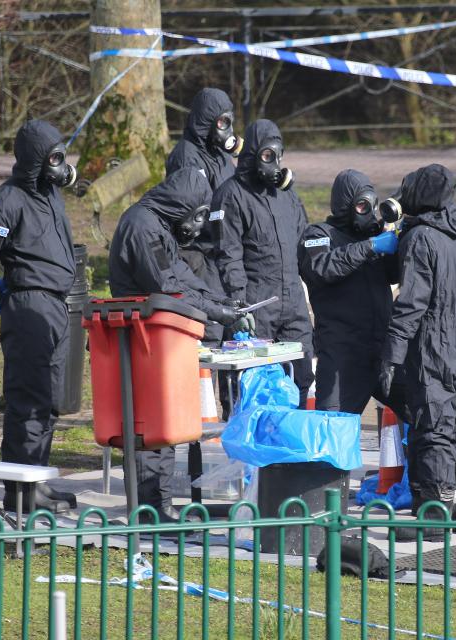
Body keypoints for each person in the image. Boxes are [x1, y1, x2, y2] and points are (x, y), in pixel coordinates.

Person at [109, 166, 252, 522]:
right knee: (148, 427)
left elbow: (183, 275)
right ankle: (149, 509)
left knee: (162, 423)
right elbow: (167, 285)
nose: (197, 225)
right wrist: (216, 312)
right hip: (141, 339)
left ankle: (159, 505)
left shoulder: (157, 226)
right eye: (197, 215)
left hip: (157, 337)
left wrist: (221, 302)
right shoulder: (142, 226)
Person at [0, 119, 80, 513]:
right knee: (27, 403)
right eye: (55, 158)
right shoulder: (8, 199)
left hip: (56, 309)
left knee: (47, 403)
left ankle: (36, 482)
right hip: (29, 310)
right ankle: (19, 491)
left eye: (63, 157)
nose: (62, 166)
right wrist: (1, 298)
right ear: (35, 160)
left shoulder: (49, 195)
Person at [376, 164, 456, 538]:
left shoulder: (421, 238)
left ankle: (435, 518)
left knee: (433, 428)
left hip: (430, 346)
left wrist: (392, 355)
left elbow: (410, 306)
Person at [213, 119, 314, 406]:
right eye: (267, 155)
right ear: (254, 153)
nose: (273, 163)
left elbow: (302, 243)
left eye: (278, 156)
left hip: (292, 301)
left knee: (302, 374)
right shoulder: (231, 195)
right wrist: (238, 305)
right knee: (253, 380)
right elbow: (227, 253)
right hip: (256, 302)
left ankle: (289, 439)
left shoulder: (286, 194)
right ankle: (250, 441)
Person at [297, 168, 407, 417]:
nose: (367, 213)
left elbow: (393, 274)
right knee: (332, 430)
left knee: (422, 411)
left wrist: (400, 236)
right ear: (344, 206)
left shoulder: (374, 235)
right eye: (360, 206)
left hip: (382, 351)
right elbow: (322, 267)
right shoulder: (318, 235)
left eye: (370, 205)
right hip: (342, 357)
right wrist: (370, 247)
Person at [165, 88, 240, 323]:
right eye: (222, 122)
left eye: (229, 122)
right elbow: (193, 206)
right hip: (200, 251)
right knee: (212, 321)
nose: (227, 130)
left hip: (224, 247)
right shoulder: (186, 156)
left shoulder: (220, 154)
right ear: (206, 121)